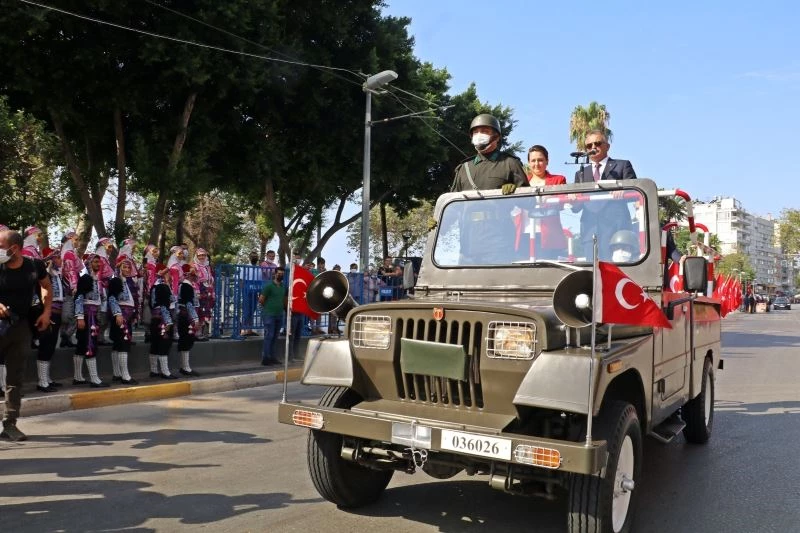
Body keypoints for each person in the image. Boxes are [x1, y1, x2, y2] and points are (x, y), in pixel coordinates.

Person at [0, 230, 52, 441]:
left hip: (20, 326)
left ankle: (10, 425)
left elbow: (46, 286)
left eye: (1, 246)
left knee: (15, 377)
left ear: (14, 248)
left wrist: (46, 312)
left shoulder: (34, 266)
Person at [573, 130, 638, 260]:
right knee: (592, 271)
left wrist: (623, 191)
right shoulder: (581, 173)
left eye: (597, 143)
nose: (593, 147)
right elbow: (576, 208)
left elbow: (635, 192)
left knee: (616, 270)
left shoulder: (622, 166)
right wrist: (573, 199)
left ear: (607, 146)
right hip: (590, 232)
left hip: (617, 231)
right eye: (589, 146)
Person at [451, 113, 528, 193]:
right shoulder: (464, 168)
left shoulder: (510, 164)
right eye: (475, 132)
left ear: (497, 137)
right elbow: (453, 198)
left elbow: (527, 197)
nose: (479, 135)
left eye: (484, 131)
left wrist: (516, 191)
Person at [524, 145, 568, 259]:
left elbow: (561, 203)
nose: (536, 164)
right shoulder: (522, 182)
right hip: (525, 233)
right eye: (533, 160)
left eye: (540, 160)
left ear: (547, 161)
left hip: (549, 236)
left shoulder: (558, 180)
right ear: (528, 163)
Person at [73, 254, 110, 388]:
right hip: (88, 316)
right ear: (89, 264)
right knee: (90, 345)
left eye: (98, 262)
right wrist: (80, 317)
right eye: (95, 262)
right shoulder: (86, 278)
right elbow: (79, 297)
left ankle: (78, 377)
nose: (98, 264)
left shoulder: (94, 279)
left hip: (93, 315)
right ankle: (94, 379)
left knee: (82, 345)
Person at [35, 247, 67, 392]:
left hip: (57, 313)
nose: (61, 260)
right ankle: (42, 381)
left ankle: (47, 378)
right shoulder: (46, 275)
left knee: (51, 345)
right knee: (46, 345)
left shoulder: (57, 274)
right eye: (58, 257)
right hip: (49, 313)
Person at [107, 256, 140, 385]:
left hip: (127, 317)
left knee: (118, 345)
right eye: (124, 267)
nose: (127, 269)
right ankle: (125, 376)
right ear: (119, 268)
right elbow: (112, 298)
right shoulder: (116, 281)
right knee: (122, 344)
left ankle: (117, 374)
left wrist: (134, 315)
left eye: (128, 267)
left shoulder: (130, 282)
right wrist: (117, 313)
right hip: (121, 317)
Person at [149, 265, 179, 379]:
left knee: (155, 344)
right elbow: (164, 304)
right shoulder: (162, 286)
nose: (170, 275)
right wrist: (168, 321)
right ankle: (165, 372)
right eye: (167, 273)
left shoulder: (154, 286)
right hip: (163, 318)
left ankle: (153, 370)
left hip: (155, 318)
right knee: (164, 344)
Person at [176, 264, 201, 376]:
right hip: (186, 317)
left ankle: (185, 366)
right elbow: (188, 304)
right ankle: (185, 367)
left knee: (185, 340)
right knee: (186, 339)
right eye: (193, 274)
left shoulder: (184, 285)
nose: (195, 276)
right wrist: (195, 319)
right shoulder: (187, 286)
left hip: (183, 315)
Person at [258, 267, 286, 365]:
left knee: (275, 337)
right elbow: (261, 299)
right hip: (269, 314)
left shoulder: (283, 286)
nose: (280, 275)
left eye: (282, 274)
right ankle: (266, 358)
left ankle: (272, 357)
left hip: (279, 314)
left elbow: (284, 300)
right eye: (279, 273)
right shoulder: (269, 286)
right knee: (269, 336)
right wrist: (268, 307)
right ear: (275, 274)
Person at [59, 230, 80, 348]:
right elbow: (71, 271)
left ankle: (65, 339)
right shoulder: (69, 253)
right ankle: (66, 336)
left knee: (66, 315)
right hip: (69, 289)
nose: (78, 242)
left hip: (63, 288)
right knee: (72, 316)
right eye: (76, 240)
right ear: (70, 240)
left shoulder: (64, 252)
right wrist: (74, 286)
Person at [191, 247, 214, 341]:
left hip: (207, 291)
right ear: (196, 256)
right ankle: (197, 333)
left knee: (206, 312)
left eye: (203, 255)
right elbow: (194, 280)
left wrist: (212, 291)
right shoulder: (194, 266)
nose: (201, 257)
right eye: (199, 255)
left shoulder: (207, 266)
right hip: (199, 291)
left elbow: (210, 279)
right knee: (199, 311)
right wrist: (197, 292)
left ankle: (204, 333)